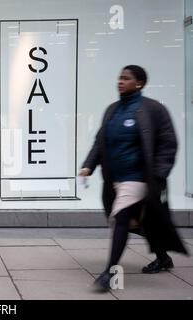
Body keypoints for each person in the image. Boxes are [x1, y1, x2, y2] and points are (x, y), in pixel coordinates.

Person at [79, 65, 189, 292]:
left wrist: (158, 174)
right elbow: (100, 142)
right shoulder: (112, 110)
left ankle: (109, 274)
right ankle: (162, 256)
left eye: (126, 78)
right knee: (135, 222)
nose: (120, 81)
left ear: (139, 83)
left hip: (139, 178)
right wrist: (89, 165)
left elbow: (168, 144)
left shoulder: (153, 109)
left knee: (120, 219)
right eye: (119, 77)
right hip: (114, 180)